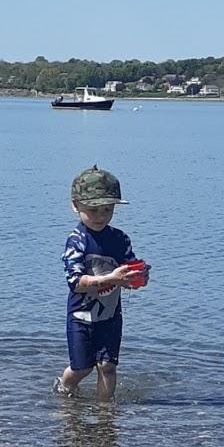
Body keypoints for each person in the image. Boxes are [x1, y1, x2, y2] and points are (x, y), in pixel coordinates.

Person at [55, 165, 148, 400]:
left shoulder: (119, 238)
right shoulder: (77, 241)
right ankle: (64, 388)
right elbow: (75, 282)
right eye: (93, 210)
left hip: (110, 316)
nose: (101, 217)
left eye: (107, 210)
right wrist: (111, 278)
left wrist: (137, 276)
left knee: (107, 366)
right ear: (75, 206)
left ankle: (105, 412)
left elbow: (128, 267)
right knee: (82, 368)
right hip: (81, 317)